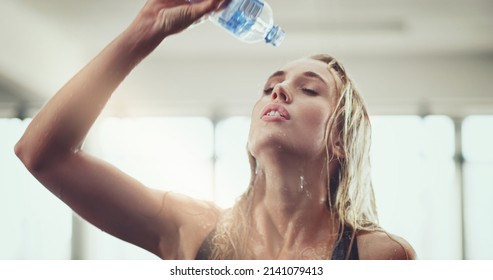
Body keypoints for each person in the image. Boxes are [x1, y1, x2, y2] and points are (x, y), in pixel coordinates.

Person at [15, 0, 415, 260]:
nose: (278, 90)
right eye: (268, 87)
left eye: (309, 89)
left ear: (342, 139)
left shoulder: (380, 256)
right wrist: (146, 28)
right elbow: (41, 154)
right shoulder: (190, 227)